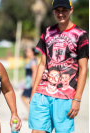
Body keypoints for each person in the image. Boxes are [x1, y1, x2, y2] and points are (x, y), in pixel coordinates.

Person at [28, 0, 89, 132]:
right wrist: (34, 92)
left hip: (66, 96)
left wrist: (77, 99)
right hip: (42, 93)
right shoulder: (47, 32)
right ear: (53, 12)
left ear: (71, 10)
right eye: (57, 11)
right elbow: (42, 64)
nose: (61, 14)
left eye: (64, 10)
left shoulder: (81, 35)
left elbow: (84, 69)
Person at [21, 47, 37, 120]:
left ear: (33, 52)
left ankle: (30, 113)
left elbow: (34, 72)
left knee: (23, 96)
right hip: (28, 82)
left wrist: (32, 83)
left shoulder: (33, 61)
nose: (26, 52)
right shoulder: (30, 60)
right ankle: (30, 113)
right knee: (27, 97)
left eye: (28, 51)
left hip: (30, 83)